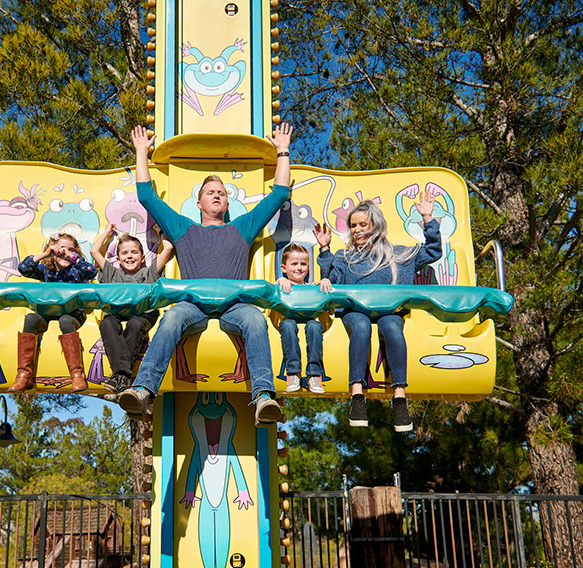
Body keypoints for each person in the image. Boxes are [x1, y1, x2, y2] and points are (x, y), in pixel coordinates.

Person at [118, 123, 294, 426]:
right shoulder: (184, 228)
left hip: (235, 305)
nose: (217, 195)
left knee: (254, 318)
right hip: (192, 305)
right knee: (171, 316)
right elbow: (146, 196)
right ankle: (143, 389)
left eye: (222, 193)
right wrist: (141, 152)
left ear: (227, 204)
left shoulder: (242, 227)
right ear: (198, 203)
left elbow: (278, 194)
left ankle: (264, 397)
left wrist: (282, 151)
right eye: (210, 192)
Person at [314, 192, 441, 432]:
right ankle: (357, 397)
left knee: (392, 326)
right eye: (353, 225)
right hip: (355, 310)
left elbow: (433, 252)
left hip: (388, 310)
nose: (357, 230)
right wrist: (325, 250)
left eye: (363, 224)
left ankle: (400, 397)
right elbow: (332, 281)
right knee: (361, 326)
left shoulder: (398, 254)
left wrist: (427, 219)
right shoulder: (345, 257)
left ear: (376, 225)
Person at [90, 223, 175, 394]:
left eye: (134, 252)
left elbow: (168, 248)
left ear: (142, 257)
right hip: (117, 313)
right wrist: (107, 232)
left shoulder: (148, 273)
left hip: (142, 314)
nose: (129, 256)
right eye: (125, 253)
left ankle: (119, 375)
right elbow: (94, 252)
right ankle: (123, 377)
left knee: (135, 324)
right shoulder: (112, 273)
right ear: (118, 258)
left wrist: (160, 232)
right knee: (107, 323)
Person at [8, 232, 98, 392]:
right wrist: (45, 254)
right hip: (48, 313)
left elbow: (92, 271)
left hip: (72, 314)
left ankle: (77, 374)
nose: (65, 253)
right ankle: (23, 374)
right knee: (31, 319)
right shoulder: (46, 270)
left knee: (65, 320)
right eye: (61, 249)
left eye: (71, 249)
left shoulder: (76, 271)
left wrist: (74, 258)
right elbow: (23, 268)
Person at [272, 242, 333, 393]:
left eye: (303, 264)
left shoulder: (312, 286)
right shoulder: (281, 285)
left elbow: (324, 294)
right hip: (288, 321)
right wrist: (280, 281)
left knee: (314, 326)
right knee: (288, 325)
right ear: (284, 268)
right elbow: (272, 290)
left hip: (311, 321)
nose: (299, 267)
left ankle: (314, 374)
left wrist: (325, 280)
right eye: (294, 264)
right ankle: (293, 373)